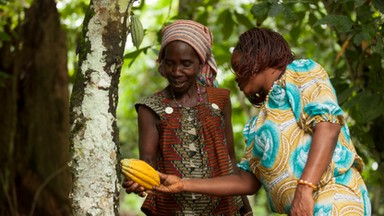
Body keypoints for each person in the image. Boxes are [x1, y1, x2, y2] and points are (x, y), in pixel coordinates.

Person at [153, 27, 372, 216]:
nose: (236, 76)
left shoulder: (301, 73)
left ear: (257, 57)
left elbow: (328, 126)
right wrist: (183, 184)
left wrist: (305, 189)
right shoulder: (258, 125)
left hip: (335, 200)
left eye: (238, 67)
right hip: (303, 208)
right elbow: (245, 182)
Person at [122, 20, 252, 215]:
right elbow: (148, 162)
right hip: (172, 209)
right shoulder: (150, 108)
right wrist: (138, 181)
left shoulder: (220, 100)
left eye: (186, 64)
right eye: (170, 63)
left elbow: (229, 157)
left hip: (223, 207)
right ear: (162, 63)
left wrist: (245, 209)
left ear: (201, 63)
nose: (176, 72)